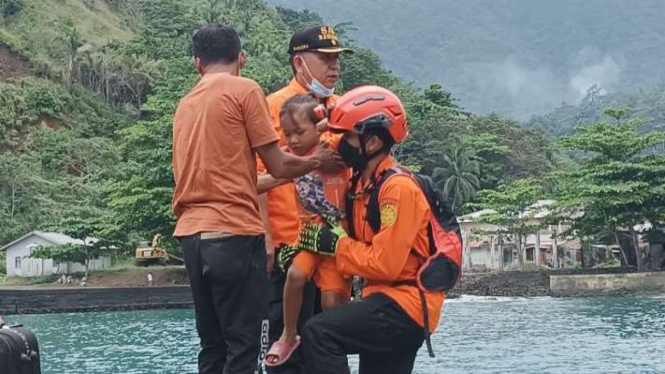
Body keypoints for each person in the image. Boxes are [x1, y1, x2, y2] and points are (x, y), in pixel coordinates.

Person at [171, 23, 341, 374]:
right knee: (247, 346)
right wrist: (315, 161)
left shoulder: (185, 104)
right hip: (234, 234)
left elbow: (237, 178)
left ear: (196, 63)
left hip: (191, 235)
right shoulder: (245, 90)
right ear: (242, 58)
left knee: (213, 346)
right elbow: (276, 164)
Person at [297, 86, 447, 374]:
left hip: (403, 306)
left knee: (318, 333)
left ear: (374, 142)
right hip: (386, 302)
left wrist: (336, 246)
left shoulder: (397, 189)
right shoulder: (364, 184)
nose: (342, 143)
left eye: (349, 137)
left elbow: (385, 264)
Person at [257, 24, 352, 374]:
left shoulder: (342, 108)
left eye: (337, 59)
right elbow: (257, 175)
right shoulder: (273, 106)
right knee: (285, 349)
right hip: (286, 243)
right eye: (325, 58)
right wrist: (265, 237)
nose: (334, 67)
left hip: (334, 244)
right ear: (299, 62)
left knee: (330, 340)